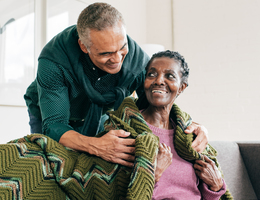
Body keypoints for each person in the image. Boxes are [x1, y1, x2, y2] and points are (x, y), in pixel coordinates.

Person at [24, 2, 208, 168]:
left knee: (96, 166)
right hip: (51, 115)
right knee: (51, 167)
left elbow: (155, 110)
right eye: (106, 53)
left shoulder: (138, 61)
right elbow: (55, 125)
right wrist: (96, 145)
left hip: (99, 113)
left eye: (122, 48)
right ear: (83, 46)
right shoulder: (53, 61)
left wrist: (192, 127)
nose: (118, 59)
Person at [132, 50, 228, 199]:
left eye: (169, 76)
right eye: (152, 74)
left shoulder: (190, 136)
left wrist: (215, 187)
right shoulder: (127, 131)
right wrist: (152, 174)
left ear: (182, 87)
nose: (158, 81)